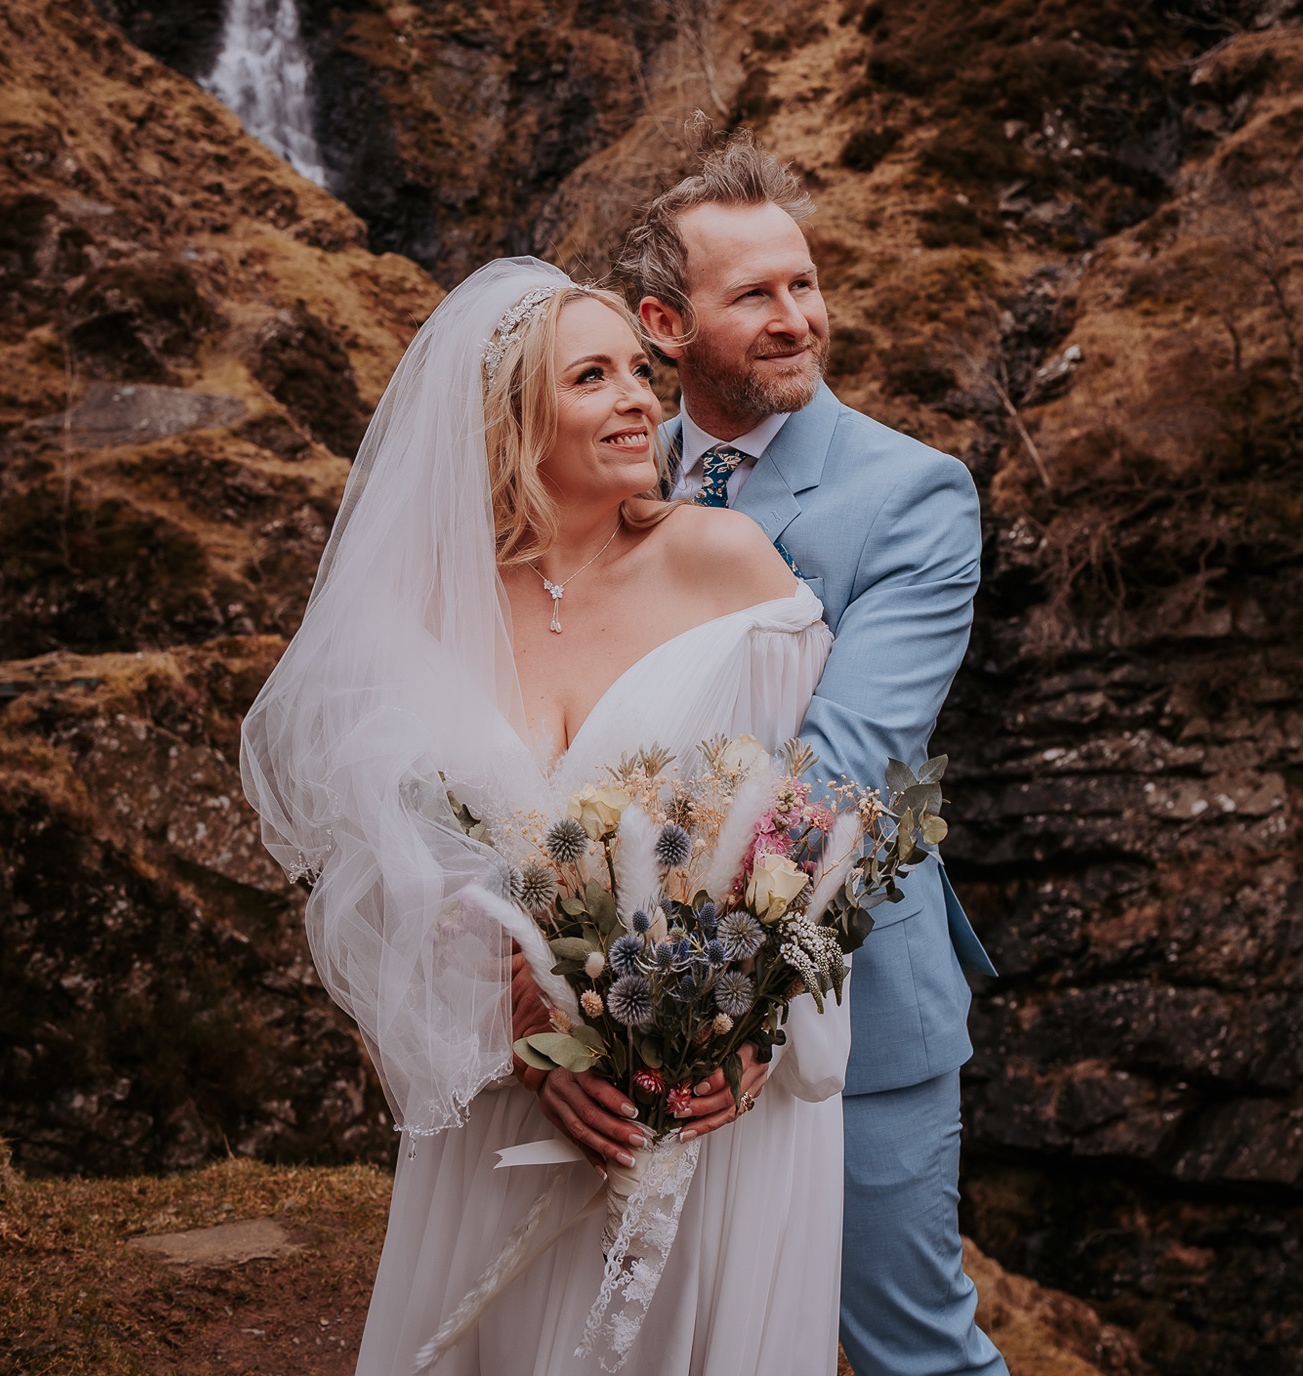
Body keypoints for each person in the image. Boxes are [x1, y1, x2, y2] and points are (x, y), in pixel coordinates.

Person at [240, 258, 849, 1376]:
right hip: (519, 1100)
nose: (638, 397)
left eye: (639, 369)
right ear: (511, 418)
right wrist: (528, 1047)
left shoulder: (726, 566)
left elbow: (800, 828)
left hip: (715, 1100)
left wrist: (749, 1031)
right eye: (592, 375)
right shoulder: (425, 609)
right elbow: (393, 875)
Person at [621, 130, 1008, 1376]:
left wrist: (702, 985)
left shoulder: (914, 494)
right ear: (664, 324)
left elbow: (843, 765)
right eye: (755, 295)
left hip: (856, 1002)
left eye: (804, 283)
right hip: (628, 988)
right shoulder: (620, 473)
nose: (798, 317)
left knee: (911, 1349)